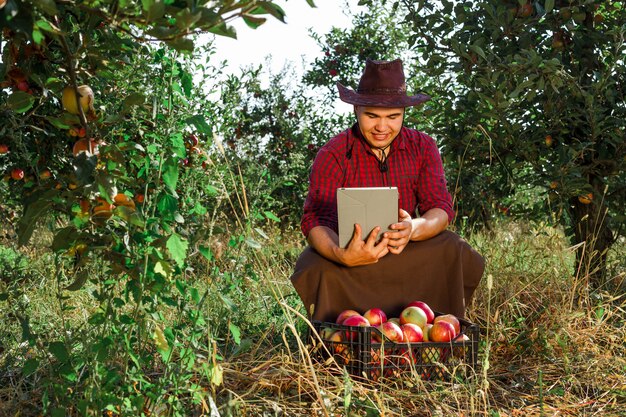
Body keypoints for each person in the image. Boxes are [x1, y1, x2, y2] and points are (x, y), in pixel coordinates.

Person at [290, 59, 485, 323]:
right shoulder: (332, 153)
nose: (382, 128)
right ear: (357, 109)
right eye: (372, 116)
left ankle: (435, 331)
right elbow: (315, 219)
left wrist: (413, 228)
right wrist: (341, 254)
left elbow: (439, 207)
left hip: (406, 251)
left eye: (393, 117)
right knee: (313, 265)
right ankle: (342, 338)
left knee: (453, 246)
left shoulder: (423, 147)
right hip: (351, 257)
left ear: (404, 113)